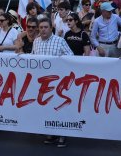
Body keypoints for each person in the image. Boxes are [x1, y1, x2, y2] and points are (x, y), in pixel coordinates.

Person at [32, 17, 73, 148]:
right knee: (47, 109)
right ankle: (51, 133)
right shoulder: (36, 42)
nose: (43, 30)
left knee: (59, 108)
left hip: (58, 82)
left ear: (51, 28)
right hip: (42, 83)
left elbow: (71, 57)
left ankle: (62, 135)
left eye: (46, 27)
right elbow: (32, 58)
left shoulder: (60, 41)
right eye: (41, 27)